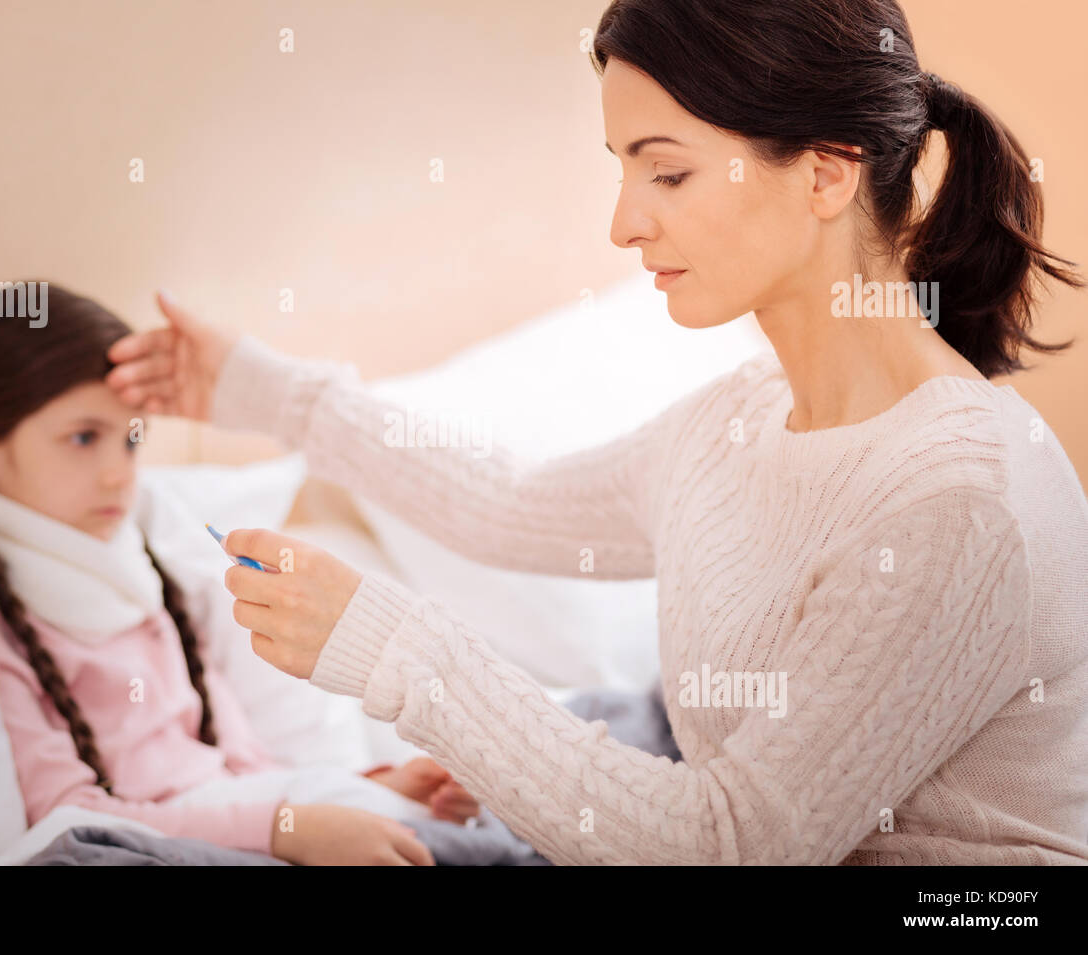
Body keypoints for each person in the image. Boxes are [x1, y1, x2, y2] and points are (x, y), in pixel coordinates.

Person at [105, 0, 1088, 865]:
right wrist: (261, 391)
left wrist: (393, 648)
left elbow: (730, 845)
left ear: (827, 175)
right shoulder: (740, 419)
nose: (623, 224)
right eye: (623, 170)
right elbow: (514, 503)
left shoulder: (956, 503)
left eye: (666, 174)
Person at [0, 282, 487, 866]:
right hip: (157, 847)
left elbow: (245, 767)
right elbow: (72, 820)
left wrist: (371, 791)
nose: (120, 475)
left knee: (498, 808)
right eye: (84, 438)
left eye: (131, 441)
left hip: (252, 826)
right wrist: (284, 829)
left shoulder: (149, 572)